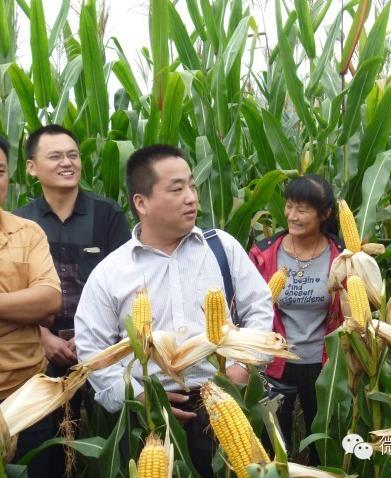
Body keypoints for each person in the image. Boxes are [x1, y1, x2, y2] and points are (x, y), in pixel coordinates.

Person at [74, 144, 273, 477]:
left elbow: (259, 307)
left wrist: (241, 368)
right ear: (142, 202)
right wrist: (140, 396)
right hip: (150, 417)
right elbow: (93, 350)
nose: (191, 197)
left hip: (227, 402)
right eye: (177, 189)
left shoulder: (221, 247)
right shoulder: (112, 272)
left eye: (192, 186)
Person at [13, 124, 130, 477]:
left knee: (102, 446)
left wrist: (92, 339)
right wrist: (42, 337)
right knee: (40, 449)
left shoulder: (107, 215)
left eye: (73, 155)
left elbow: (126, 283)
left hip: (100, 352)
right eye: (55, 156)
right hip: (37, 353)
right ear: (32, 167)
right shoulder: (20, 222)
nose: (67, 162)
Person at [249, 174, 344, 465]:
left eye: (302, 210)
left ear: (324, 214)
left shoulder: (341, 255)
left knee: (325, 443)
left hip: (324, 364)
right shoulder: (263, 254)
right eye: (289, 206)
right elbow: (248, 306)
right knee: (273, 444)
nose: (292, 215)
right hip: (276, 362)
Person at [0, 135, 62, 475]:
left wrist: (35, 307)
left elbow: (49, 299)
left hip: (27, 397)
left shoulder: (28, 233)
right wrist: (20, 311)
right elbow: (35, 304)